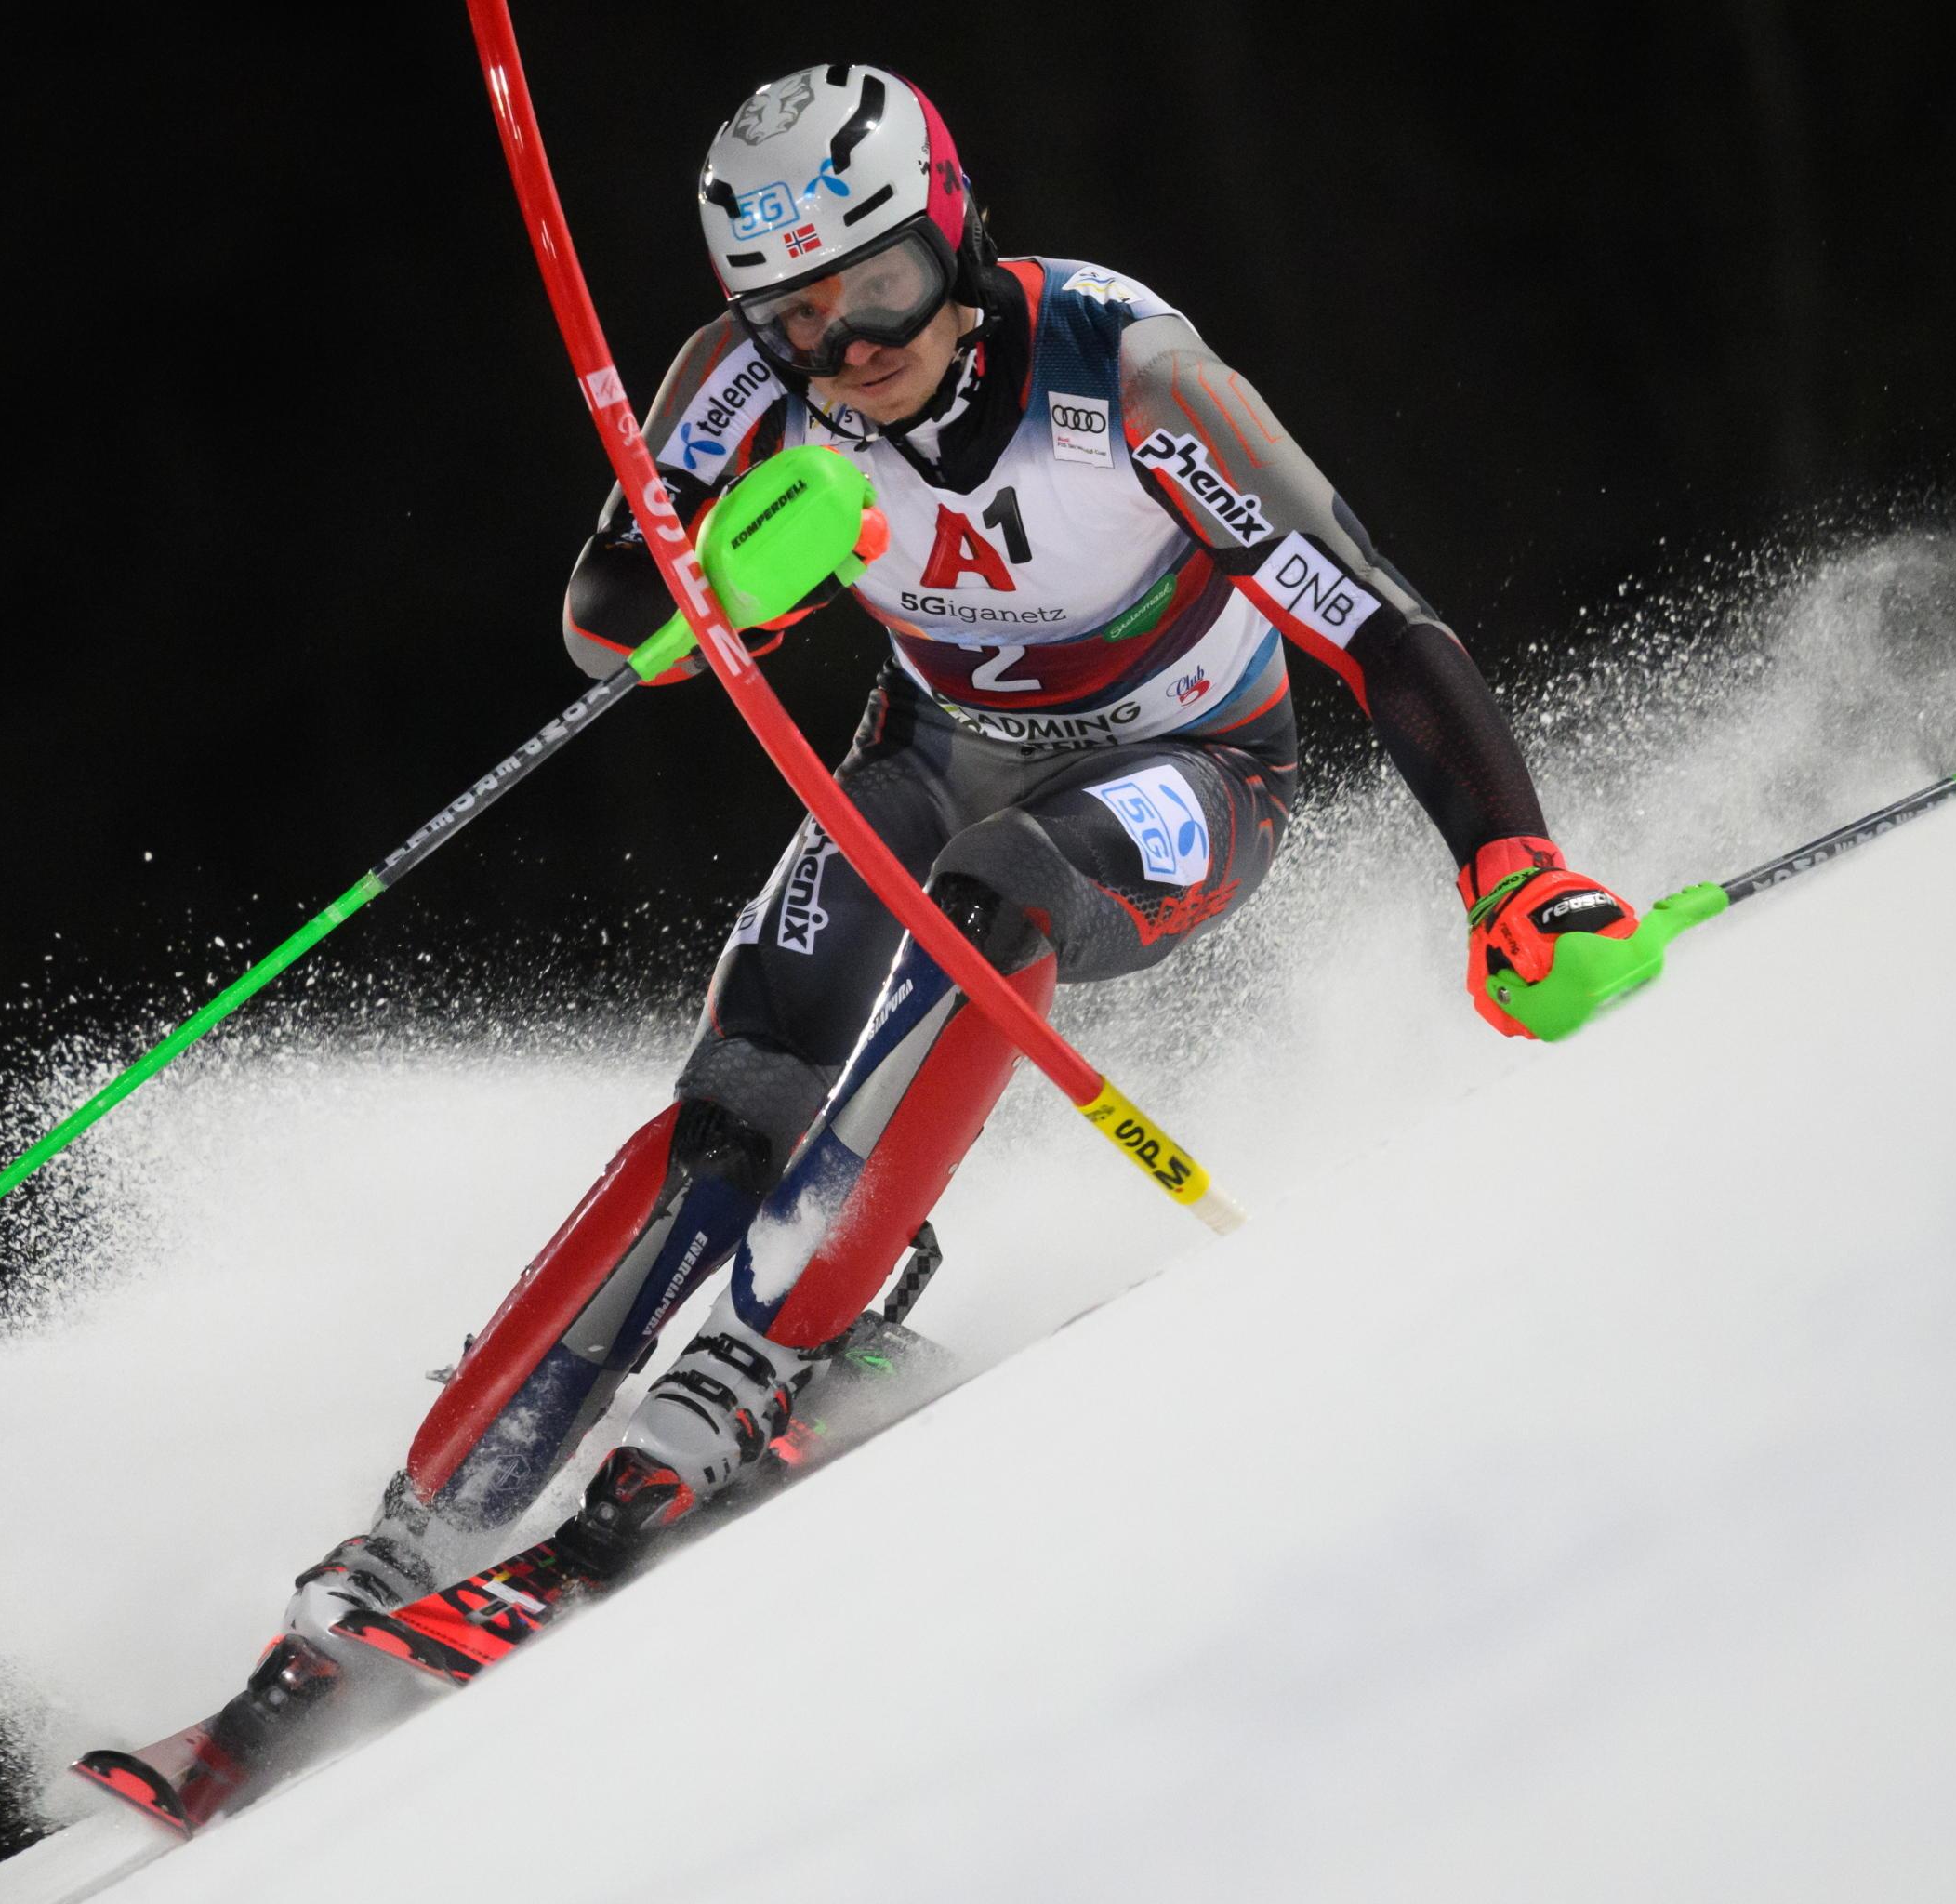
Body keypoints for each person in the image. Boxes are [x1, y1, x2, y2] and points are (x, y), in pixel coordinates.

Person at [296, 61, 1641, 1630]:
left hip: (1195, 768)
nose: (851, 347)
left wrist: (1509, 864)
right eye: (799, 315)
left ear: (957, 233)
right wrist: (738, 574)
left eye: (882, 284)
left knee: (997, 896)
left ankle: (766, 1357)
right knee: (748, 1073)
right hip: (935, 753)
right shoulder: (734, 384)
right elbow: (608, 623)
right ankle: (426, 1516)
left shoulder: (1125, 374)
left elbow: (1377, 619)